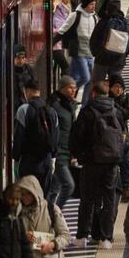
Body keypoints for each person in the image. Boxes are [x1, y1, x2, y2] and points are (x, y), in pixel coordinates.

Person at [70, 80, 123, 249]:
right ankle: (105, 238)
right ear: (107, 94)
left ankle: (82, 236)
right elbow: (124, 139)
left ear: (93, 93)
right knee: (109, 201)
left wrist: (80, 156)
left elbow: (76, 137)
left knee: (87, 200)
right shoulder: (116, 111)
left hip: (91, 163)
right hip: (111, 164)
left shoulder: (87, 111)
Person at [13, 78, 58, 197]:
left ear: (27, 92)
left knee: (26, 196)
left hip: (28, 161)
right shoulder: (52, 111)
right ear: (38, 92)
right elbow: (56, 137)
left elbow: (18, 136)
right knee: (43, 198)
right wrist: (52, 157)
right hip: (46, 161)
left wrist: (16, 157)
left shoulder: (23, 110)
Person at [56, 0, 98, 104]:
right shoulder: (75, 15)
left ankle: (83, 104)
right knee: (85, 77)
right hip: (78, 51)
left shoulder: (94, 17)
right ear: (85, 4)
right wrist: (52, 43)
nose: (93, 7)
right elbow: (62, 30)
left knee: (79, 78)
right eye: (91, 4)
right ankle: (66, 92)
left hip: (90, 53)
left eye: (94, 4)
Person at [48, 76, 79, 208]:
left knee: (54, 189)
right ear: (62, 88)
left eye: (75, 87)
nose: (73, 90)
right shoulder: (55, 105)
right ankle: (55, 215)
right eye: (70, 87)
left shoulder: (70, 105)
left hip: (66, 152)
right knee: (69, 186)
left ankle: (48, 216)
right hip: (58, 153)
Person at [89, 0, 129, 83]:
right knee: (115, 84)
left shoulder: (103, 22)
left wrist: (96, 54)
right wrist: (123, 55)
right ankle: (113, 96)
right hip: (118, 60)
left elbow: (93, 39)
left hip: (102, 59)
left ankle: (99, 96)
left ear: (108, 9)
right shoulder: (125, 22)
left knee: (98, 84)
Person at [109, 75, 129, 202]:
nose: (118, 90)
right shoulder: (106, 100)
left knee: (126, 162)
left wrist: (114, 105)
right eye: (115, 87)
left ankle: (126, 188)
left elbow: (127, 114)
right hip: (111, 136)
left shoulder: (126, 98)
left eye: (120, 87)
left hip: (123, 136)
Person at [52, 0, 73, 75]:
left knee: (64, 66)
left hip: (60, 43)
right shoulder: (56, 10)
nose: (67, 0)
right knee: (65, 67)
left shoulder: (66, 10)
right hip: (55, 45)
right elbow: (59, 27)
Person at [13, 44, 38, 109]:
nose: (21, 61)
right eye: (18, 58)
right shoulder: (9, 71)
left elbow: (34, 86)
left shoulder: (29, 69)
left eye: (23, 57)